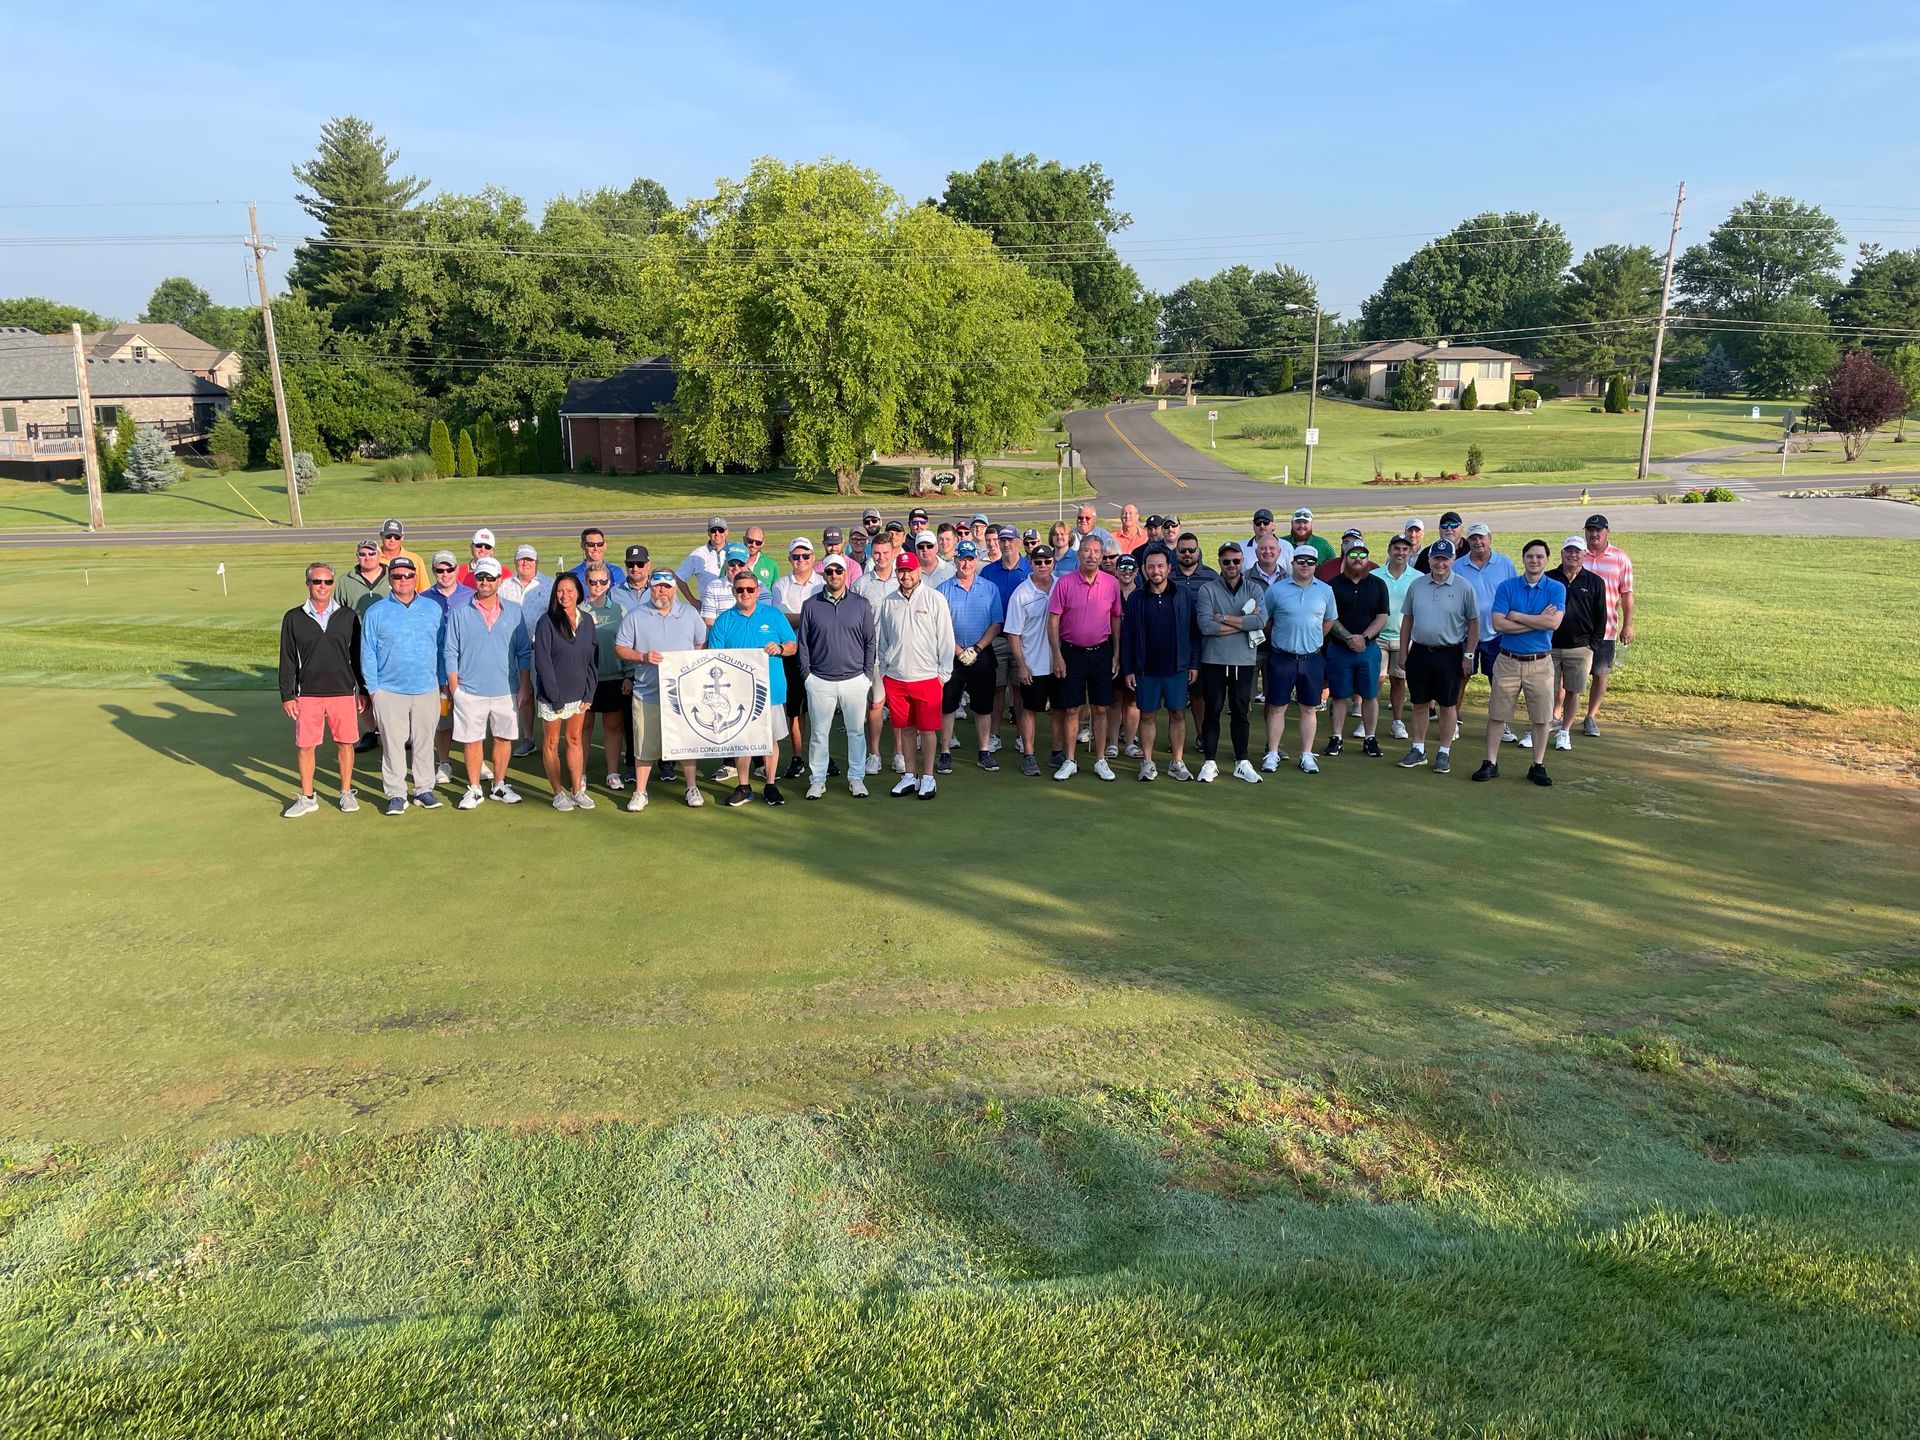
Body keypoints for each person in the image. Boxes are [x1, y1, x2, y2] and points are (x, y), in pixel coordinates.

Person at [613, 570, 707, 811]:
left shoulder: (689, 614)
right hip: (647, 693)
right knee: (644, 745)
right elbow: (621, 648)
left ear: (674, 589)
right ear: (651, 588)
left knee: (686, 743)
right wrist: (642, 657)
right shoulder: (636, 616)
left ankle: (691, 786)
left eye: (666, 586)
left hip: (683, 694)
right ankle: (640, 792)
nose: (662, 591)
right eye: (657, 586)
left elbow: (701, 642)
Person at [359, 556, 446, 816]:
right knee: (392, 745)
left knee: (424, 743)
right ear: (390, 579)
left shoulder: (432, 608)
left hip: (427, 688)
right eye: (398, 576)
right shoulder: (376, 612)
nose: (403, 580)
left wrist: (442, 683)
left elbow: (442, 648)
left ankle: (423, 790)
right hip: (389, 691)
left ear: (416, 577)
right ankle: (396, 793)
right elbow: (367, 653)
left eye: (408, 575)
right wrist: (373, 690)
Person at [278, 562, 366, 817]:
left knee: (345, 743)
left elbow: (357, 657)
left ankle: (346, 792)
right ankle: (307, 797)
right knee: (306, 746)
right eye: (317, 581)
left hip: (342, 691)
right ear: (308, 584)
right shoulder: (293, 617)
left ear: (332, 584)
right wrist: (287, 695)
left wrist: (362, 689)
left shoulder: (348, 616)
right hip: (308, 693)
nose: (322, 586)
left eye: (327, 581)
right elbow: (287, 659)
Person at [1475, 539, 1565, 786]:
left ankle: (1537, 765)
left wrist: (1516, 616)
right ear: (1523, 559)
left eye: (1539, 557)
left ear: (1546, 560)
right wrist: (1536, 621)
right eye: (1530, 556)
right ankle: (1491, 762)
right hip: (1508, 660)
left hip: (1540, 663)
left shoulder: (1556, 588)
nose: (1534, 560)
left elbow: (1553, 623)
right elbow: (1498, 624)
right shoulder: (1507, 587)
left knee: (1541, 718)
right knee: (1497, 714)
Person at [445, 558, 533, 810]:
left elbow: (523, 652)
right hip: (469, 690)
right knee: (472, 740)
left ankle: (499, 784)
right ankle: (474, 788)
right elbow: (450, 651)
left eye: (490, 578)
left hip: (506, 689)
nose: (484, 582)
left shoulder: (514, 611)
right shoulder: (460, 611)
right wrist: (455, 689)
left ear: (499, 581)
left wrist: (524, 686)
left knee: (503, 738)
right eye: (480, 577)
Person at [705, 569, 797, 808]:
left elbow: (792, 645)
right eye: (740, 589)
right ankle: (744, 786)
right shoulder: (724, 620)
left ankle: (770, 784)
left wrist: (780, 648)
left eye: (749, 589)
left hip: (771, 689)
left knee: (770, 739)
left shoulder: (773, 615)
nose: (744, 593)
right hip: (738, 692)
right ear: (733, 591)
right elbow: (714, 657)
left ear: (757, 591)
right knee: (742, 740)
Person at [874, 550, 955, 799]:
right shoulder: (888, 601)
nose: (905, 575)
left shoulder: (934, 598)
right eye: (901, 571)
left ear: (918, 571)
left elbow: (946, 639)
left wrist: (943, 675)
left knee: (927, 730)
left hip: (928, 677)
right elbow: (884, 641)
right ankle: (910, 775)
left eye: (909, 570)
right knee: (906, 729)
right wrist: (885, 671)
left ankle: (928, 777)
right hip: (896, 678)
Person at [796, 554, 876, 799]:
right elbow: (803, 644)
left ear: (845, 573)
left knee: (856, 732)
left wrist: (867, 676)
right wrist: (807, 676)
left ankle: (856, 778)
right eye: (829, 571)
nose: (834, 575)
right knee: (819, 734)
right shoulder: (811, 605)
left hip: (855, 679)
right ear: (824, 574)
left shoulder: (861, 604)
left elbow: (870, 642)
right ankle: (817, 780)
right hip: (820, 680)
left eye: (838, 571)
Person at [1395, 539, 1478, 774]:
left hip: (1449, 653)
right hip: (1420, 651)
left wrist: (1469, 654)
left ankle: (1444, 752)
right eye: (1436, 558)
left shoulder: (1464, 587)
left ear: (1452, 560)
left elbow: (1473, 622)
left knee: (1448, 705)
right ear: (1429, 559)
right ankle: (1418, 749)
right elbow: (1408, 619)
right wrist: (1403, 651)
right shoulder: (1417, 585)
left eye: (1445, 559)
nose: (1440, 563)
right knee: (1420, 703)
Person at [1047, 536, 1122, 782]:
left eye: (1096, 552)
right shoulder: (1065, 583)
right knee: (1072, 709)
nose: (1091, 556)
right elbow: (1053, 619)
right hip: (1071, 653)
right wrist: (1056, 654)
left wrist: (1116, 654)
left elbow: (1116, 618)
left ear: (1101, 556)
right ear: (1079, 554)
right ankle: (1070, 760)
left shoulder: (1111, 583)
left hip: (1101, 652)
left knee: (1100, 708)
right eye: (1087, 551)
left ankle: (1100, 759)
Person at [1259, 544, 1337, 774]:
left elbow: (1329, 620)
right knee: (1276, 707)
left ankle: (1306, 755)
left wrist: (1314, 639)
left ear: (1315, 565)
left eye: (1310, 562)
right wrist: (1281, 636)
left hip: (1311, 658)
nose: (1305, 565)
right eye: (1300, 561)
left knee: (1309, 709)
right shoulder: (1276, 590)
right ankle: (1273, 753)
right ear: (1292, 563)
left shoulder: (1325, 591)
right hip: (1282, 657)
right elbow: (1266, 620)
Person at [1120, 547, 1196, 781]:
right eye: (1151, 566)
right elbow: (1127, 636)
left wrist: (1193, 663)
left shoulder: (1183, 594)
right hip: (1146, 670)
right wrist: (1128, 669)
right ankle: (1147, 762)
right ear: (1144, 569)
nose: (1156, 571)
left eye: (1160, 566)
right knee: (1147, 715)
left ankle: (1177, 762)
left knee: (1177, 714)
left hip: (1177, 668)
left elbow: (1193, 632)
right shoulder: (1136, 598)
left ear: (1169, 568)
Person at [1194, 542, 1267, 783]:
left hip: (1243, 661)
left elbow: (1260, 622)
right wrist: (1242, 624)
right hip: (1213, 660)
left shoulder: (1254, 588)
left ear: (1242, 562)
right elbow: (1206, 626)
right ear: (1220, 563)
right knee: (1212, 711)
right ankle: (1209, 761)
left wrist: (1223, 618)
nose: (1231, 565)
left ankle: (1242, 761)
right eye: (1226, 562)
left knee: (1240, 711)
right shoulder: (1207, 589)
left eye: (1236, 561)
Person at [936, 539, 1005, 774]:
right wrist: (959, 650)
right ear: (955, 560)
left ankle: (984, 751)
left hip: (981, 654)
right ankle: (945, 752)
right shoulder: (943, 590)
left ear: (976, 560)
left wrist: (976, 649)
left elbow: (996, 623)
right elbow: (940, 627)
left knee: (983, 706)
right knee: (948, 706)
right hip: (951, 655)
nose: (966, 564)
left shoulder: (989, 588)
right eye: (962, 559)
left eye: (970, 559)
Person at [533, 573, 600, 811]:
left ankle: (577, 791)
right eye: (560, 591)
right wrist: (555, 698)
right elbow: (543, 662)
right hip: (554, 696)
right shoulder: (546, 622)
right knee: (551, 742)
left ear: (578, 593)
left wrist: (589, 692)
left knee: (574, 740)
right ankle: (558, 793)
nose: (565, 595)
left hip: (579, 694)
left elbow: (592, 659)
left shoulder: (587, 621)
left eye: (570, 591)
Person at [1323, 540, 1390, 758]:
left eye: (1362, 555)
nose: (1358, 559)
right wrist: (1349, 638)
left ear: (1368, 558)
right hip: (1339, 649)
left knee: (1369, 695)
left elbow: (1382, 616)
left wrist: (1364, 638)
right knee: (1339, 695)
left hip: (1368, 649)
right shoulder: (1332, 586)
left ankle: (1370, 738)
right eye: (1353, 555)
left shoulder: (1378, 584)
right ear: (1345, 557)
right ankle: (1336, 738)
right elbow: (1330, 617)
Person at [1456, 523, 1521, 744]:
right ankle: (1452, 721)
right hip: (1465, 634)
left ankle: (1500, 724)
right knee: (1460, 678)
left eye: (1481, 537)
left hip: (1497, 634)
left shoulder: (1505, 564)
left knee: (1499, 682)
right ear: (1468, 541)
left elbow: (1514, 594)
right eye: (1473, 538)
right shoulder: (1458, 566)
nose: (1478, 542)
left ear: (1490, 538)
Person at [1004, 544, 1064, 777]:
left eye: (1047, 561)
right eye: (1038, 562)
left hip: (1058, 662)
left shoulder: (1061, 586)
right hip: (1032, 664)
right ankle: (1028, 755)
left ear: (1053, 563)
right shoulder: (1021, 594)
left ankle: (1057, 752)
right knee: (1029, 709)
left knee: (1058, 708)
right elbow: (1013, 634)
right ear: (1031, 564)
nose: (1043, 566)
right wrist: (1021, 665)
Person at [420, 551, 476, 782]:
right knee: (443, 720)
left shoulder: (471, 595)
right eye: (440, 570)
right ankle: (444, 762)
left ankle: (478, 761)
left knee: (471, 718)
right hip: (438, 672)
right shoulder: (424, 599)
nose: (445, 574)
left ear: (456, 570)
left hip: (468, 670)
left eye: (449, 569)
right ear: (434, 571)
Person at [1578, 513, 1635, 737]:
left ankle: (1590, 716)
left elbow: (1627, 594)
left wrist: (1628, 625)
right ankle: (1558, 714)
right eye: (1590, 530)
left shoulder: (1620, 557)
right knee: (1566, 672)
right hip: (1577, 627)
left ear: (1607, 532)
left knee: (1600, 673)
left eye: (1598, 530)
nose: (1594, 534)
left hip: (1606, 627)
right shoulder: (1577, 553)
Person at [1550, 536, 1608, 752]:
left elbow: (1601, 617)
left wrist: (1593, 645)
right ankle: (1545, 726)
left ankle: (1564, 732)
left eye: (1577, 552)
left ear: (1585, 555)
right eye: (1569, 551)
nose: (1572, 555)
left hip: (1581, 647)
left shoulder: (1595, 582)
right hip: (1550, 646)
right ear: (1562, 553)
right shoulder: (1549, 578)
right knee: (1547, 690)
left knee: (1573, 691)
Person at [773, 537, 824, 778]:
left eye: (805, 556)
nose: (800, 560)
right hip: (792, 653)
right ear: (790, 558)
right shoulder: (781, 584)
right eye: (796, 556)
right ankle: (797, 757)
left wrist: (800, 617)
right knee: (795, 708)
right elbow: (782, 619)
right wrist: (811, 615)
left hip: (819, 652)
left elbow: (824, 617)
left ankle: (822, 755)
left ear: (813, 558)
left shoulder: (822, 583)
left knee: (820, 706)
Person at [581, 561, 631, 792]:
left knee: (613, 727)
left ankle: (612, 773)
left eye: (603, 581)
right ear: (586, 582)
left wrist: (628, 675)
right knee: (584, 728)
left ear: (609, 583)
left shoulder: (620, 610)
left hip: (614, 677)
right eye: (593, 582)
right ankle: (580, 772)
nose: (598, 586)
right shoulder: (578, 610)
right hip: (585, 680)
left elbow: (628, 644)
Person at [982, 526, 1032, 755]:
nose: (1006, 544)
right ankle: (994, 735)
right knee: (997, 688)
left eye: (1010, 540)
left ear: (1018, 542)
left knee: (1020, 689)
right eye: (1002, 540)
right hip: (998, 638)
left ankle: (1022, 736)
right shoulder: (988, 571)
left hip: (1024, 640)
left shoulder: (1030, 569)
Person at [854, 532, 899, 776]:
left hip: (900, 654)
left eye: (886, 553)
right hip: (872, 655)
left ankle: (899, 753)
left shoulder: (902, 579)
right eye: (877, 553)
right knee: (876, 704)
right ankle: (874, 754)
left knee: (899, 706)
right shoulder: (862, 584)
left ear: (893, 553)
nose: (881, 558)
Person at [498, 544, 548, 755]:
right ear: (515, 562)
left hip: (542, 650)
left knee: (546, 696)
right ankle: (528, 738)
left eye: (529, 559)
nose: (525, 563)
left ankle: (550, 741)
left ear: (536, 562)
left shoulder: (548, 585)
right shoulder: (504, 586)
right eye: (521, 559)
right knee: (524, 695)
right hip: (515, 651)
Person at [340, 540, 390, 752]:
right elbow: (339, 613)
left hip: (389, 642)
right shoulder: (346, 581)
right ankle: (371, 732)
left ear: (379, 555)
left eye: (371, 553)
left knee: (392, 686)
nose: (367, 557)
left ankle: (400, 731)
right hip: (358, 641)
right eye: (362, 554)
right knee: (363, 686)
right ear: (357, 556)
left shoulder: (393, 576)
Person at [1376, 533, 1421, 740]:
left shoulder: (1418, 578)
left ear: (1410, 552)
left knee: (1398, 681)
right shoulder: (1375, 575)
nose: (1400, 553)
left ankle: (1397, 722)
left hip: (1404, 638)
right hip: (1377, 637)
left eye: (1405, 549)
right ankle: (1369, 722)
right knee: (1376, 680)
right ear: (1389, 550)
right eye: (1396, 548)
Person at [1109, 554, 1142, 758]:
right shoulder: (1110, 592)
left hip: (1136, 654)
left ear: (1137, 571)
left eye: (1131, 568)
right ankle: (1112, 743)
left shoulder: (1142, 594)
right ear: (1116, 570)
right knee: (1115, 698)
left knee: (1132, 699)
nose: (1126, 571)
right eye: (1122, 567)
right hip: (1113, 651)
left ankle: (1129, 742)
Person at [678, 519, 732, 612]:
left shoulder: (734, 551)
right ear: (708, 533)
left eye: (720, 530)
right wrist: (693, 601)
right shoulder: (698, 554)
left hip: (732, 609)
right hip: (708, 610)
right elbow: (679, 577)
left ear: (726, 532)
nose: (717, 533)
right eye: (713, 530)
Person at [702, 543, 752, 625]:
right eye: (732, 563)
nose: (736, 568)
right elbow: (709, 621)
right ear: (725, 563)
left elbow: (765, 617)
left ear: (748, 563)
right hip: (722, 632)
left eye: (741, 563)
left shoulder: (759, 586)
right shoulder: (713, 587)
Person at [566, 528, 614, 592]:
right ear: (582, 546)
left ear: (605, 545)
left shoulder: (617, 572)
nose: (596, 548)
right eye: (591, 545)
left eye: (600, 544)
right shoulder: (572, 576)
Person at [612, 544, 651, 612]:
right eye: (630, 564)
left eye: (640, 564)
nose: (635, 569)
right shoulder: (614, 592)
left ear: (649, 565)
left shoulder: (660, 590)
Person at [742, 526, 780, 590]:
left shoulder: (771, 565)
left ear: (763, 543)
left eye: (758, 543)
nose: (753, 545)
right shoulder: (733, 564)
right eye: (750, 541)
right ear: (744, 539)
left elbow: (776, 592)